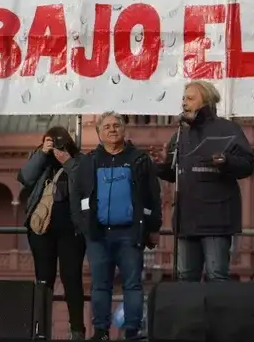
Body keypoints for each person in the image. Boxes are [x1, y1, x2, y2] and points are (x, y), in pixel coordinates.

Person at [69, 112, 161, 341]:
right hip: (98, 235)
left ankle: (132, 331)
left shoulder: (139, 160)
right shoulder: (89, 162)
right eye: (107, 126)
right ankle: (101, 331)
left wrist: (152, 226)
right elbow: (77, 195)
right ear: (99, 133)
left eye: (116, 125)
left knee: (133, 285)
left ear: (123, 129)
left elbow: (152, 196)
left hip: (130, 233)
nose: (112, 129)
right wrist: (83, 224)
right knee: (100, 286)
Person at [155, 81, 254, 282]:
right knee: (185, 277)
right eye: (183, 98)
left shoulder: (228, 129)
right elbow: (172, 172)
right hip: (186, 219)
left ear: (206, 101)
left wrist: (226, 161)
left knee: (216, 275)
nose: (184, 103)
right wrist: (158, 165)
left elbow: (248, 164)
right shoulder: (180, 134)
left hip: (216, 220)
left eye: (190, 98)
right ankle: (188, 315)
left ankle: (217, 315)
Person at [17, 126, 86, 340]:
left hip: (72, 232)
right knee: (43, 280)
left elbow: (85, 182)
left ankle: (77, 331)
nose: (56, 145)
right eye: (51, 141)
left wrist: (67, 160)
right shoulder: (40, 158)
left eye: (60, 142)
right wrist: (42, 153)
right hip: (42, 231)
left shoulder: (79, 160)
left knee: (72, 279)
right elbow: (25, 178)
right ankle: (41, 330)